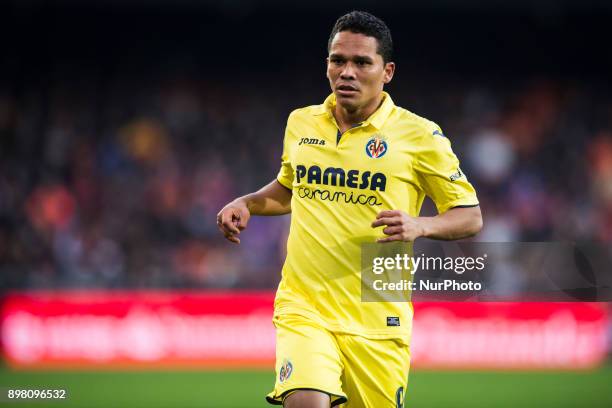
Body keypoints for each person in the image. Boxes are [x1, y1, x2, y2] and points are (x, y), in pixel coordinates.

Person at [217, 10, 482, 408]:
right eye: (337, 60)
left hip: (377, 316)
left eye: (361, 62)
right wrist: (248, 202)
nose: (347, 72)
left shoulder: (419, 136)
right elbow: (291, 187)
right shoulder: (302, 123)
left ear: (387, 71)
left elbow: (470, 216)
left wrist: (420, 225)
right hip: (304, 305)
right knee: (305, 400)